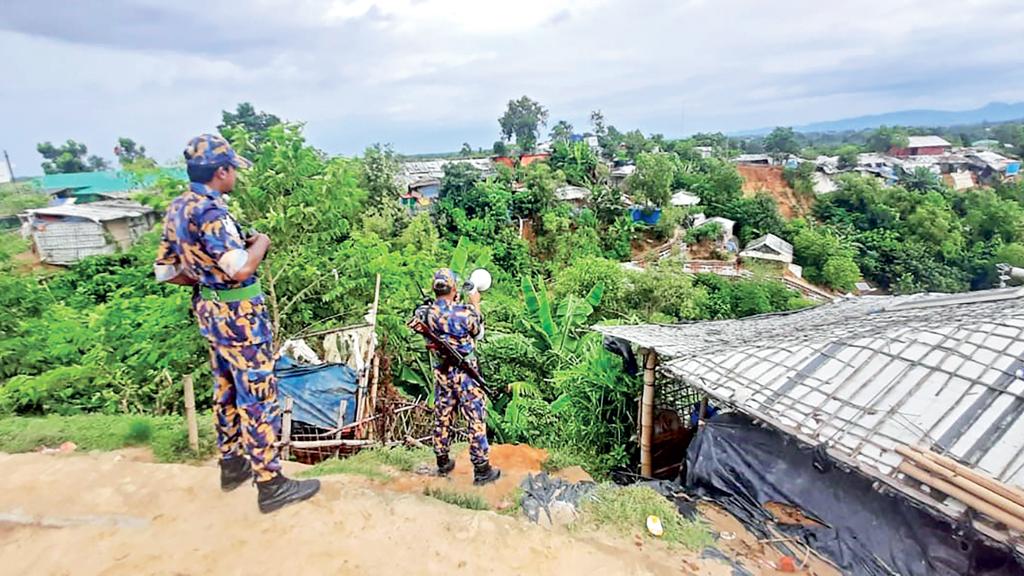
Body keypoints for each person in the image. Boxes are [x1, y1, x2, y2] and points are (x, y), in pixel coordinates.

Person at [153, 134, 320, 513]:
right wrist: (261, 243)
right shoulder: (211, 212)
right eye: (233, 171)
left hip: (209, 313)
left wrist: (203, 277)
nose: (236, 177)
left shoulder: (179, 207)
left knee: (225, 386)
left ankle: (232, 464)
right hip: (239, 317)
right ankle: (270, 484)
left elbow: (165, 272)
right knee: (258, 394)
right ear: (221, 172)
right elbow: (241, 267)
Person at [427, 269, 501, 485]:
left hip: (442, 371)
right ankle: (481, 469)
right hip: (465, 373)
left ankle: (442, 461)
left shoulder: (426, 313)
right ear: (453, 289)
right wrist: (475, 303)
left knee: (443, 413)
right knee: (475, 417)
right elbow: (478, 332)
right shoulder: (465, 313)